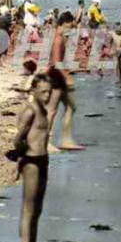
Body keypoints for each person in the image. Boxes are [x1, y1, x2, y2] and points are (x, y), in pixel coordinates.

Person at [11, 74, 53, 242]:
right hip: (32, 162)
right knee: (28, 210)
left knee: (38, 210)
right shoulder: (29, 111)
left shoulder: (42, 109)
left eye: (49, 92)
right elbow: (18, 138)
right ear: (34, 91)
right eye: (43, 92)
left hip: (43, 160)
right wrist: (19, 161)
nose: (47, 95)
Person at [45, 11, 82, 152]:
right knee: (51, 110)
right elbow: (55, 62)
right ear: (65, 23)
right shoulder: (58, 38)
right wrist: (66, 76)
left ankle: (66, 140)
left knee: (71, 107)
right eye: (70, 26)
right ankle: (47, 142)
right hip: (56, 77)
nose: (71, 29)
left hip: (58, 75)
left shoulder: (60, 36)